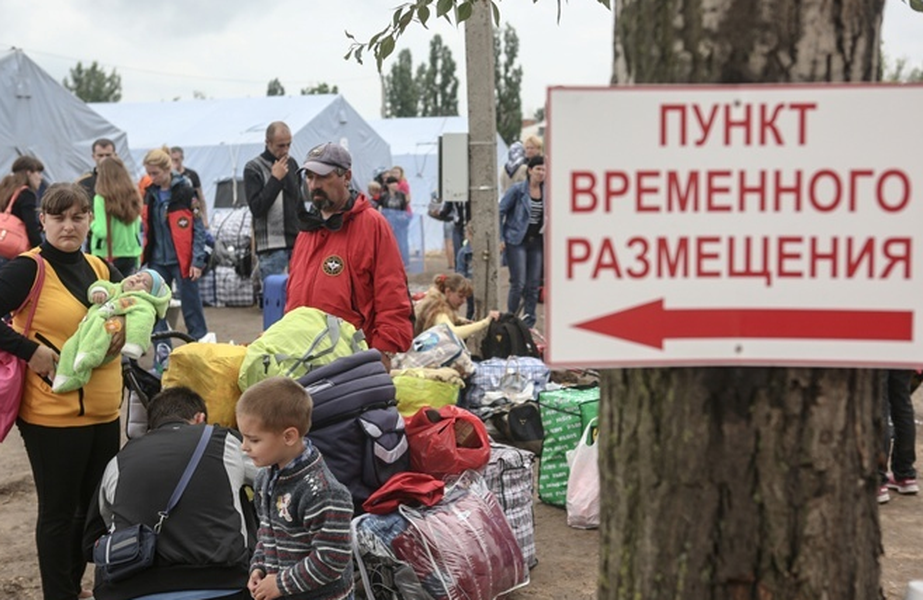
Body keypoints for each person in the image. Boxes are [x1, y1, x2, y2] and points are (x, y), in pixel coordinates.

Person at [0, 182, 124, 600]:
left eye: (77, 217)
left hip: (105, 414)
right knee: (59, 513)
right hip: (51, 416)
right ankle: (59, 593)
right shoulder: (27, 269)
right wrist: (29, 349)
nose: (68, 226)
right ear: (43, 221)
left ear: (90, 219)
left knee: (92, 513)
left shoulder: (101, 269)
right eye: (59, 217)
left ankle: (75, 587)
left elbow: (138, 305)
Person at [84, 386, 257, 600]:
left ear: (151, 427)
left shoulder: (120, 459)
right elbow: (271, 477)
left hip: (132, 587)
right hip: (223, 582)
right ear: (200, 418)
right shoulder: (223, 439)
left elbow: (92, 538)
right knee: (241, 491)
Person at [286, 142, 414, 370]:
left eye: (323, 177)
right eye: (310, 177)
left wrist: (383, 351)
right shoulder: (307, 231)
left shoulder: (372, 225)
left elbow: (392, 295)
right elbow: (293, 297)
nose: (314, 185)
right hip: (302, 357)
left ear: (346, 177)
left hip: (353, 360)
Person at [236, 377, 354, 600]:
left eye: (253, 439)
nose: (244, 446)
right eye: (243, 437)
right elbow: (267, 531)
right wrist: (259, 566)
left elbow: (332, 559)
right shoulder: (265, 478)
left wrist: (280, 584)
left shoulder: (323, 492)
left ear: (289, 436)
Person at [52, 269, 172, 394]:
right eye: (138, 275)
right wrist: (99, 291)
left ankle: (89, 356)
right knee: (69, 347)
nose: (137, 279)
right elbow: (103, 284)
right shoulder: (117, 288)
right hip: (86, 326)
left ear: (148, 294)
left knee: (101, 334)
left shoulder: (140, 303)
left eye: (144, 283)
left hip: (107, 328)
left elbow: (142, 323)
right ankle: (64, 377)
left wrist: (134, 344)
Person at [243, 121, 308, 279]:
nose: (285, 150)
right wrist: (275, 180)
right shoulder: (253, 168)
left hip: (296, 244)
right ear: (268, 142)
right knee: (275, 299)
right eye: (280, 146)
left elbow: (298, 203)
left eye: (288, 145)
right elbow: (257, 208)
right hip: (271, 249)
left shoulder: (292, 164)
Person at [499, 155, 545, 328]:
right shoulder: (517, 190)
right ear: (530, 170)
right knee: (518, 283)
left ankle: (529, 322)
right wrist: (500, 237)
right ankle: (511, 320)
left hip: (537, 242)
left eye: (544, 169)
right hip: (516, 240)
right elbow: (500, 210)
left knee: (533, 285)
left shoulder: (547, 191)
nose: (541, 173)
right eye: (538, 169)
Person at [88, 156, 143, 276]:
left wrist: (91, 223)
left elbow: (102, 231)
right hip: (131, 254)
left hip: (107, 254)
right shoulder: (133, 196)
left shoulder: (101, 199)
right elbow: (137, 228)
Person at [414, 273, 499, 338]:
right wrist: (485, 322)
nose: (464, 301)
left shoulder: (434, 301)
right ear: (448, 292)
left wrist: (460, 321)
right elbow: (453, 333)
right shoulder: (437, 309)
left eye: (465, 297)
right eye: (460, 296)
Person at [878, 369, 918, 504]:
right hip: (903, 352)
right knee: (902, 403)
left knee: (878, 405)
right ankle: (905, 474)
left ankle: (877, 479)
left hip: (877, 350)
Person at [0, 155, 45, 262]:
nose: (41, 178)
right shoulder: (26, 194)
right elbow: (31, 226)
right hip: (12, 250)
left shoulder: (4, 190)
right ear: (29, 173)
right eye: (38, 173)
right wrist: (41, 251)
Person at [170, 146, 210, 229]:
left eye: (176, 160)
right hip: (177, 211)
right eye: (172, 160)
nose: (174, 162)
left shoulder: (192, 174)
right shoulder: (169, 176)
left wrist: (205, 219)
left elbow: (201, 197)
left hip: (193, 207)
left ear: (182, 158)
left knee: (197, 227)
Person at [378, 175, 411, 267]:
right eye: (393, 183)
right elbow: (380, 208)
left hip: (400, 223)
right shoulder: (383, 196)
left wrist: (404, 217)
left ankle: (404, 262)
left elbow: (404, 209)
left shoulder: (402, 195)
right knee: (388, 243)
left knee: (402, 242)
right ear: (388, 185)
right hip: (388, 223)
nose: (395, 185)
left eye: (396, 183)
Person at [76, 138, 117, 202]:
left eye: (108, 155)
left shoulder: (124, 181)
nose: (104, 159)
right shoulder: (84, 183)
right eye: (100, 155)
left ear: (115, 156)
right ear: (94, 157)